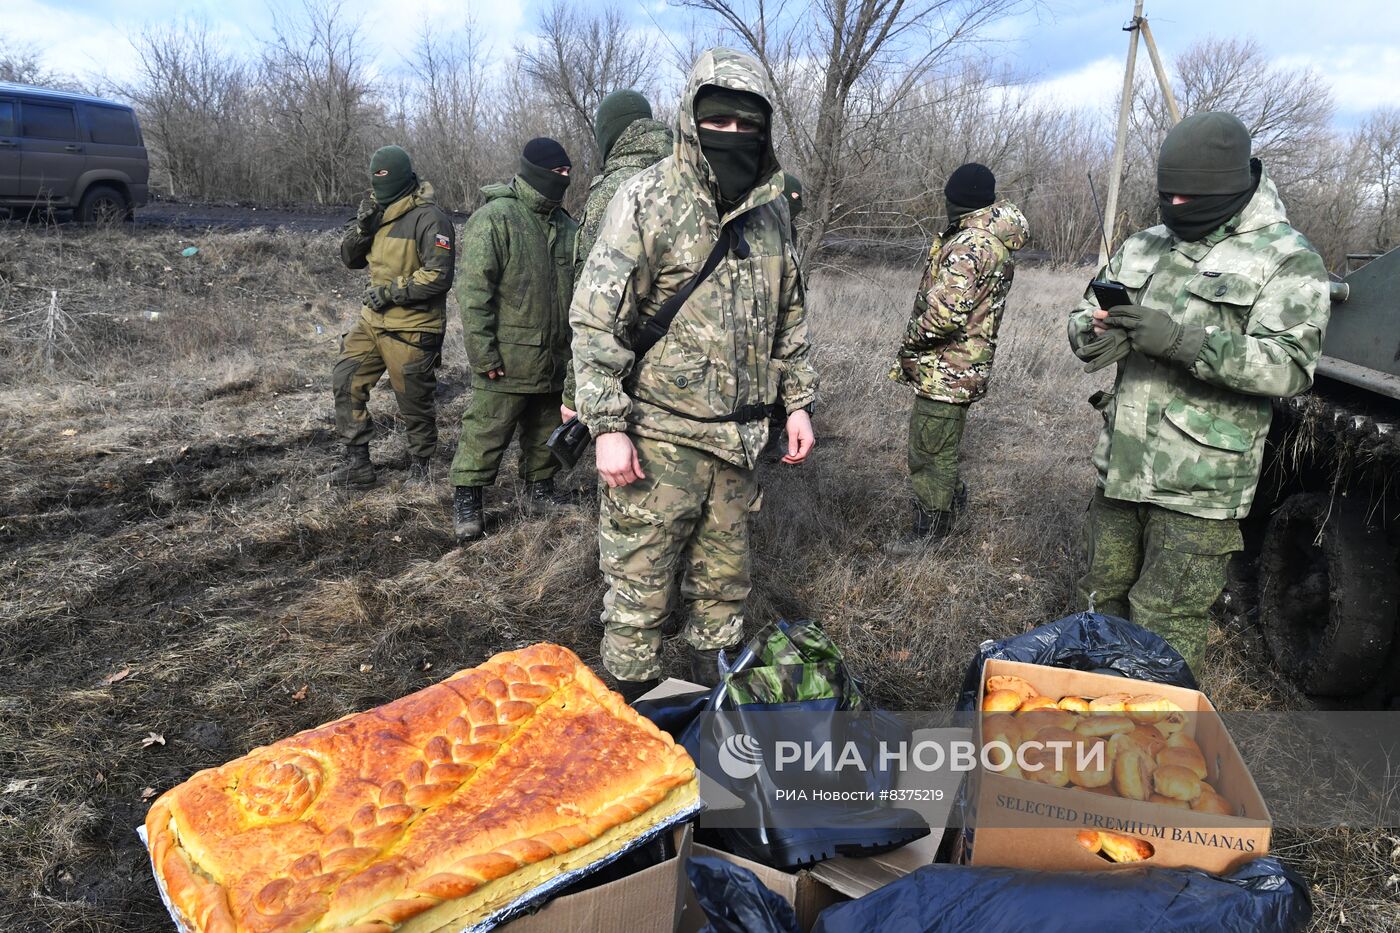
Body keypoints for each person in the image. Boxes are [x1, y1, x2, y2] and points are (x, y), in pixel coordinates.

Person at [570, 47, 819, 700]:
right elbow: (597, 319)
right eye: (719, 122)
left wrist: (797, 402)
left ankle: (712, 737)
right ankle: (631, 748)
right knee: (637, 602)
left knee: (724, 598)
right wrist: (605, 426)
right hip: (657, 443)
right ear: (692, 118)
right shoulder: (649, 198)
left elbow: (787, 313)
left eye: (748, 124)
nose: (733, 136)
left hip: (737, 449)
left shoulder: (772, 212)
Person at [1067, 111, 1331, 673]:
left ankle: (1152, 746)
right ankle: (1090, 721)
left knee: (1167, 622)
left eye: (1190, 198)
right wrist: (1093, 330)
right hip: (1121, 465)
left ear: (1231, 187)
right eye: (1168, 197)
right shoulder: (1144, 244)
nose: (1176, 209)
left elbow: (1289, 368)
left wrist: (1185, 342)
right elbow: (1081, 312)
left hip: (1201, 482)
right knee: (1097, 597)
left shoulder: (1287, 258)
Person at [887, 163, 1028, 550]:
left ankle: (929, 534)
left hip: (947, 367)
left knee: (929, 451)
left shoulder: (970, 244)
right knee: (940, 446)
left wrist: (910, 344)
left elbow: (945, 315)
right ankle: (947, 506)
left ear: (957, 200)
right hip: (964, 365)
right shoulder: (992, 241)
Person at [450, 138, 579, 542]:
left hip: (555, 355)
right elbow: (473, 294)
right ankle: (468, 500)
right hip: (505, 359)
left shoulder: (568, 226)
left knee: (545, 428)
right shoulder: (496, 218)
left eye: (567, 173)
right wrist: (483, 353)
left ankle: (540, 489)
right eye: (557, 173)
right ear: (536, 171)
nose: (565, 180)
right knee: (486, 431)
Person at [329, 146, 455, 488]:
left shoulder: (430, 218)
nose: (376, 186)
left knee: (414, 401)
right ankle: (358, 464)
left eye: (383, 177)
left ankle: (421, 467)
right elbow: (350, 259)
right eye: (373, 179)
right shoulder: (376, 211)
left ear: (402, 178)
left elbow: (439, 275)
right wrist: (362, 228)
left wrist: (391, 292)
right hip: (373, 322)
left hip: (413, 327)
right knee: (346, 379)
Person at [563, 90, 673, 421]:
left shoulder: (616, 190)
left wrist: (574, 391)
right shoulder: (688, 179)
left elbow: (596, 301)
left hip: (629, 368)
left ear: (609, 134)